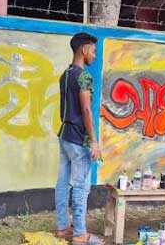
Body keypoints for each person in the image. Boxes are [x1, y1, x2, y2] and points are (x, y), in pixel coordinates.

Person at [55, 32, 103, 245]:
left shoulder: (65, 75)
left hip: (64, 135)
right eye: (93, 50)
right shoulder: (83, 76)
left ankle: (63, 227)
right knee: (82, 185)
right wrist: (93, 141)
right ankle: (81, 234)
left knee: (63, 183)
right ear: (83, 50)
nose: (94, 54)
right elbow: (85, 108)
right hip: (78, 138)